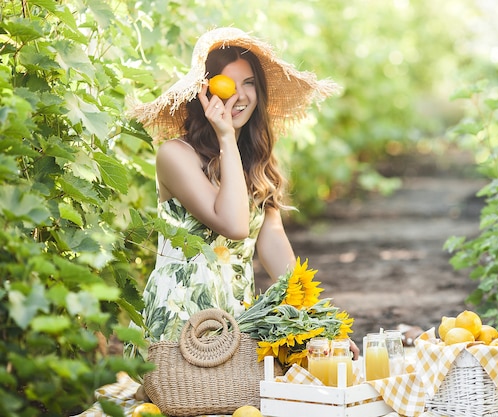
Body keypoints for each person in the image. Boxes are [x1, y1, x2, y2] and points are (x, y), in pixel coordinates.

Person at [126, 27, 359, 362]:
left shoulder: (255, 162)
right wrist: (225, 138)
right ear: (204, 93)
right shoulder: (176, 155)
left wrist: (323, 324)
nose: (240, 95)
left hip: (237, 316)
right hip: (182, 313)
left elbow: (277, 252)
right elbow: (233, 225)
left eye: (249, 83)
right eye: (228, 85)